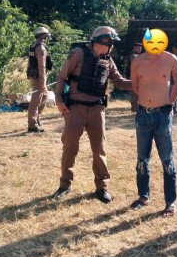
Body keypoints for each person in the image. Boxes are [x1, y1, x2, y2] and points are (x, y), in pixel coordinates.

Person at [53, 26, 132, 203]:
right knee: (70, 147)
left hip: (97, 109)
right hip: (75, 108)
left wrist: (140, 83)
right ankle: (64, 185)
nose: (112, 46)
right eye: (111, 43)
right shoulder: (78, 54)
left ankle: (102, 187)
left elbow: (119, 82)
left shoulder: (108, 61)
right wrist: (58, 100)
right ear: (101, 40)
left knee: (99, 149)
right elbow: (62, 77)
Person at [129, 42, 177, 217]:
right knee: (142, 158)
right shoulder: (137, 61)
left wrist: (170, 103)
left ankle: (170, 202)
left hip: (163, 115)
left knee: (167, 159)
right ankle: (143, 197)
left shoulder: (171, 59)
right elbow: (135, 85)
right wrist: (148, 99)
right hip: (143, 115)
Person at [27, 26, 53, 133]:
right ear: (43, 36)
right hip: (39, 77)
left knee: (44, 96)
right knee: (36, 100)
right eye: (46, 36)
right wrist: (42, 80)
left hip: (34, 75)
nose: (47, 38)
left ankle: (36, 119)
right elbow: (41, 66)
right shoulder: (40, 48)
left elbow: (30, 62)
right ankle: (32, 125)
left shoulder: (33, 45)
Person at [124, 42, 143, 112]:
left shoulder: (135, 55)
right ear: (134, 48)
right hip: (134, 76)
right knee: (136, 92)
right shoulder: (133, 55)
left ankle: (134, 107)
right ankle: (135, 107)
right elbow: (138, 64)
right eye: (139, 48)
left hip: (132, 75)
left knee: (134, 92)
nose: (140, 49)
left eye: (141, 48)